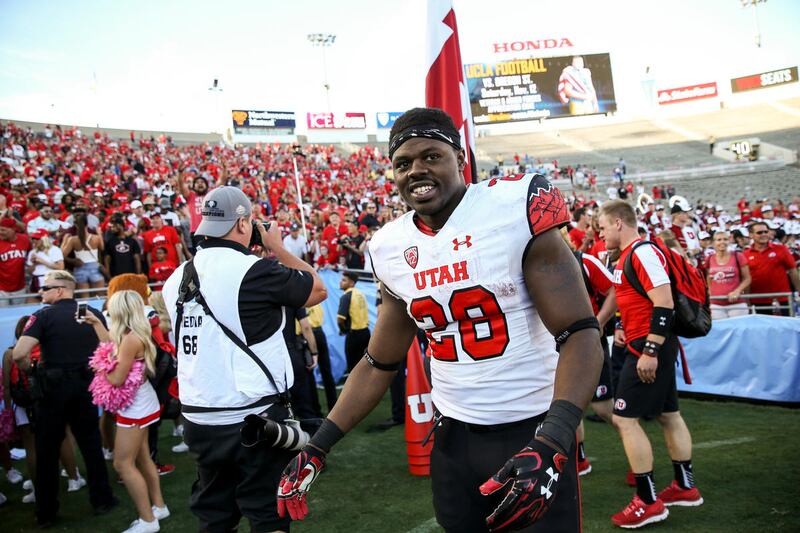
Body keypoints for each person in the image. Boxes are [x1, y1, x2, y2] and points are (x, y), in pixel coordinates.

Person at [277, 108, 603, 533]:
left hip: (530, 429)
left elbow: (580, 333)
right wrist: (318, 446)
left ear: (460, 157)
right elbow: (379, 363)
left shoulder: (512, 207)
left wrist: (554, 439)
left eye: (431, 156)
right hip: (453, 438)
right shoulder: (391, 246)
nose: (417, 170)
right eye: (403, 163)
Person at [161, 186, 326, 533]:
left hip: (199, 417)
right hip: (252, 417)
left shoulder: (176, 276)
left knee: (215, 516)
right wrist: (276, 247)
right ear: (242, 224)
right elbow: (317, 288)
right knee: (268, 514)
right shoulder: (253, 270)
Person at [597, 201, 703, 529]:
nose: (600, 234)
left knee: (624, 419)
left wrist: (651, 350)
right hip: (644, 342)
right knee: (668, 414)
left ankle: (647, 500)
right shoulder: (627, 255)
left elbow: (665, 301)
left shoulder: (641, 252)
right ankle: (685, 488)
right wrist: (604, 321)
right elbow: (624, 293)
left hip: (648, 346)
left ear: (618, 223)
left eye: (602, 227)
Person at [12, 270, 117, 527]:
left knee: (48, 451)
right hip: (85, 387)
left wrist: (30, 370)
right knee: (91, 446)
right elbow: (109, 348)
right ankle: (102, 499)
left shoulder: (42, 316)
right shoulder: (90, 314)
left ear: (59, 290)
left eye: (45, 287)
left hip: (53, 390)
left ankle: (46, 512)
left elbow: (19, 354)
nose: (41, 292)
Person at [86, 290, 169, 533]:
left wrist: (100, 368)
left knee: (123, 464)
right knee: (142, 458)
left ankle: (147, 520)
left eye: (111, 308)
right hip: (141, 402)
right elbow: (111, 345)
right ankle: (159, 507)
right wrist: (94, 325)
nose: (108, 312)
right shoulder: (130, 334)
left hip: (136, 407)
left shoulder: (132, 338)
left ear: (120, 310)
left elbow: (117, 378)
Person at [745, 221, 799, 315]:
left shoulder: (781, 249)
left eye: (766, 232)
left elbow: (793, 271)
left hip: (782, 298)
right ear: (751, 235)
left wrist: (799, 291)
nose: (764, 234)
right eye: (759, 232)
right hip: (758, 300)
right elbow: (746, 279)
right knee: (764, 329)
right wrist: (747, 300)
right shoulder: (745, 255)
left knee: (786, 327)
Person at [706, 231, 750, 319]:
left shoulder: (738, 256)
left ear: (729, 241)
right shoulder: (709, 258)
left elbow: (747, 278)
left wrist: (737, 291)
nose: (722, 242)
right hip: (716, 304)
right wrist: (710, 290)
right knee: (719, 331)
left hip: (737, 303)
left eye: (725, 239)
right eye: (719, 240)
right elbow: (709, 276)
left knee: (738, 331)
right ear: (714, 242)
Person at [61, 213, 105, 292]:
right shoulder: (96, 238)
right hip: (94, 267)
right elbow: (102, 248)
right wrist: (99, 233)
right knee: (99, 296)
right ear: (87, 224)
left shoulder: (73, 240)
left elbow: (62, 255)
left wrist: (64, 241)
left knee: (84, 299)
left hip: (80, 269)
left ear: (75, 225)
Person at [337, 271, 370, 373]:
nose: (340, 282)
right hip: (366, 333)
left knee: (353, 368)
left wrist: (343, 329)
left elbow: (340, 319)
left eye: (344, 280)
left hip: (354, 336)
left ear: (351, 283)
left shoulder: (346, 296)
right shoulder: (360, 294)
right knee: (366, 366)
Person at [306, 304, 337, 412]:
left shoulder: (299, 299)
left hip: (307, 335)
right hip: (319, 332)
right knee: (327, 373)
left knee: (309, 374)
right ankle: (333, 407)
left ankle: (316, 411)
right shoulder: (316, 300)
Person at [0, 217, 31, 306]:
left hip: (20, 287)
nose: (0, 232)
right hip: (2, 288)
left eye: (3, 230)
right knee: (3, 315)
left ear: (13, 229)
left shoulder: (24, 240)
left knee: (19, 314)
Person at [26, 229, 64, 295]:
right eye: (33, 238)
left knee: (50, 302)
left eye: (37, 239)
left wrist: (43, 261)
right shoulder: (32, 252)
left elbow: (61, 267)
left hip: (51, 280)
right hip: (36, 281)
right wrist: (34, 264)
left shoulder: (54, 250)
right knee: (31, 302)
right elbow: (29, 272)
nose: (34, 241)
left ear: (44, 239)